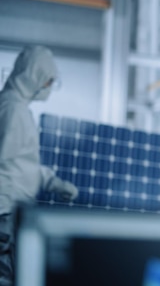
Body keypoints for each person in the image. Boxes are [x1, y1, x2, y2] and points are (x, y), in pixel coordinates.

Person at [0, 45, 79, 286]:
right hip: (5, 213)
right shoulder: (12, 110)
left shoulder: (18, 109)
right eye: (47, 82)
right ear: (34, 77)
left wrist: (53, 182)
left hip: (11, 213)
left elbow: (22, 164)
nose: (48, 89)